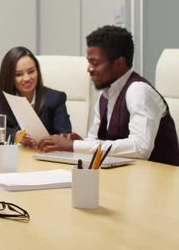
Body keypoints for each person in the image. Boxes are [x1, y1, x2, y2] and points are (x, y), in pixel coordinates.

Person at [37, 25, 179, 166]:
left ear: (119, 63)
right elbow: (96, 140)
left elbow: (140, 148)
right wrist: (82, 143)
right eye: (89, 62)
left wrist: (74, 146)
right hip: (126, 177)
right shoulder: (105, 94)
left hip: (159, 181)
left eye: (95, 63)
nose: (89, 69)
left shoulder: (138, 91)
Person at [0, 46, 72, 146]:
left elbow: (66, 136)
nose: (27, 78)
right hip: (17, 155)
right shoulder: (4, 97)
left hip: (45, 155)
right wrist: (15, 136)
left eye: (31, 71)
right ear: (9, 77)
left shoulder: (56, 98)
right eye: (19, 74)